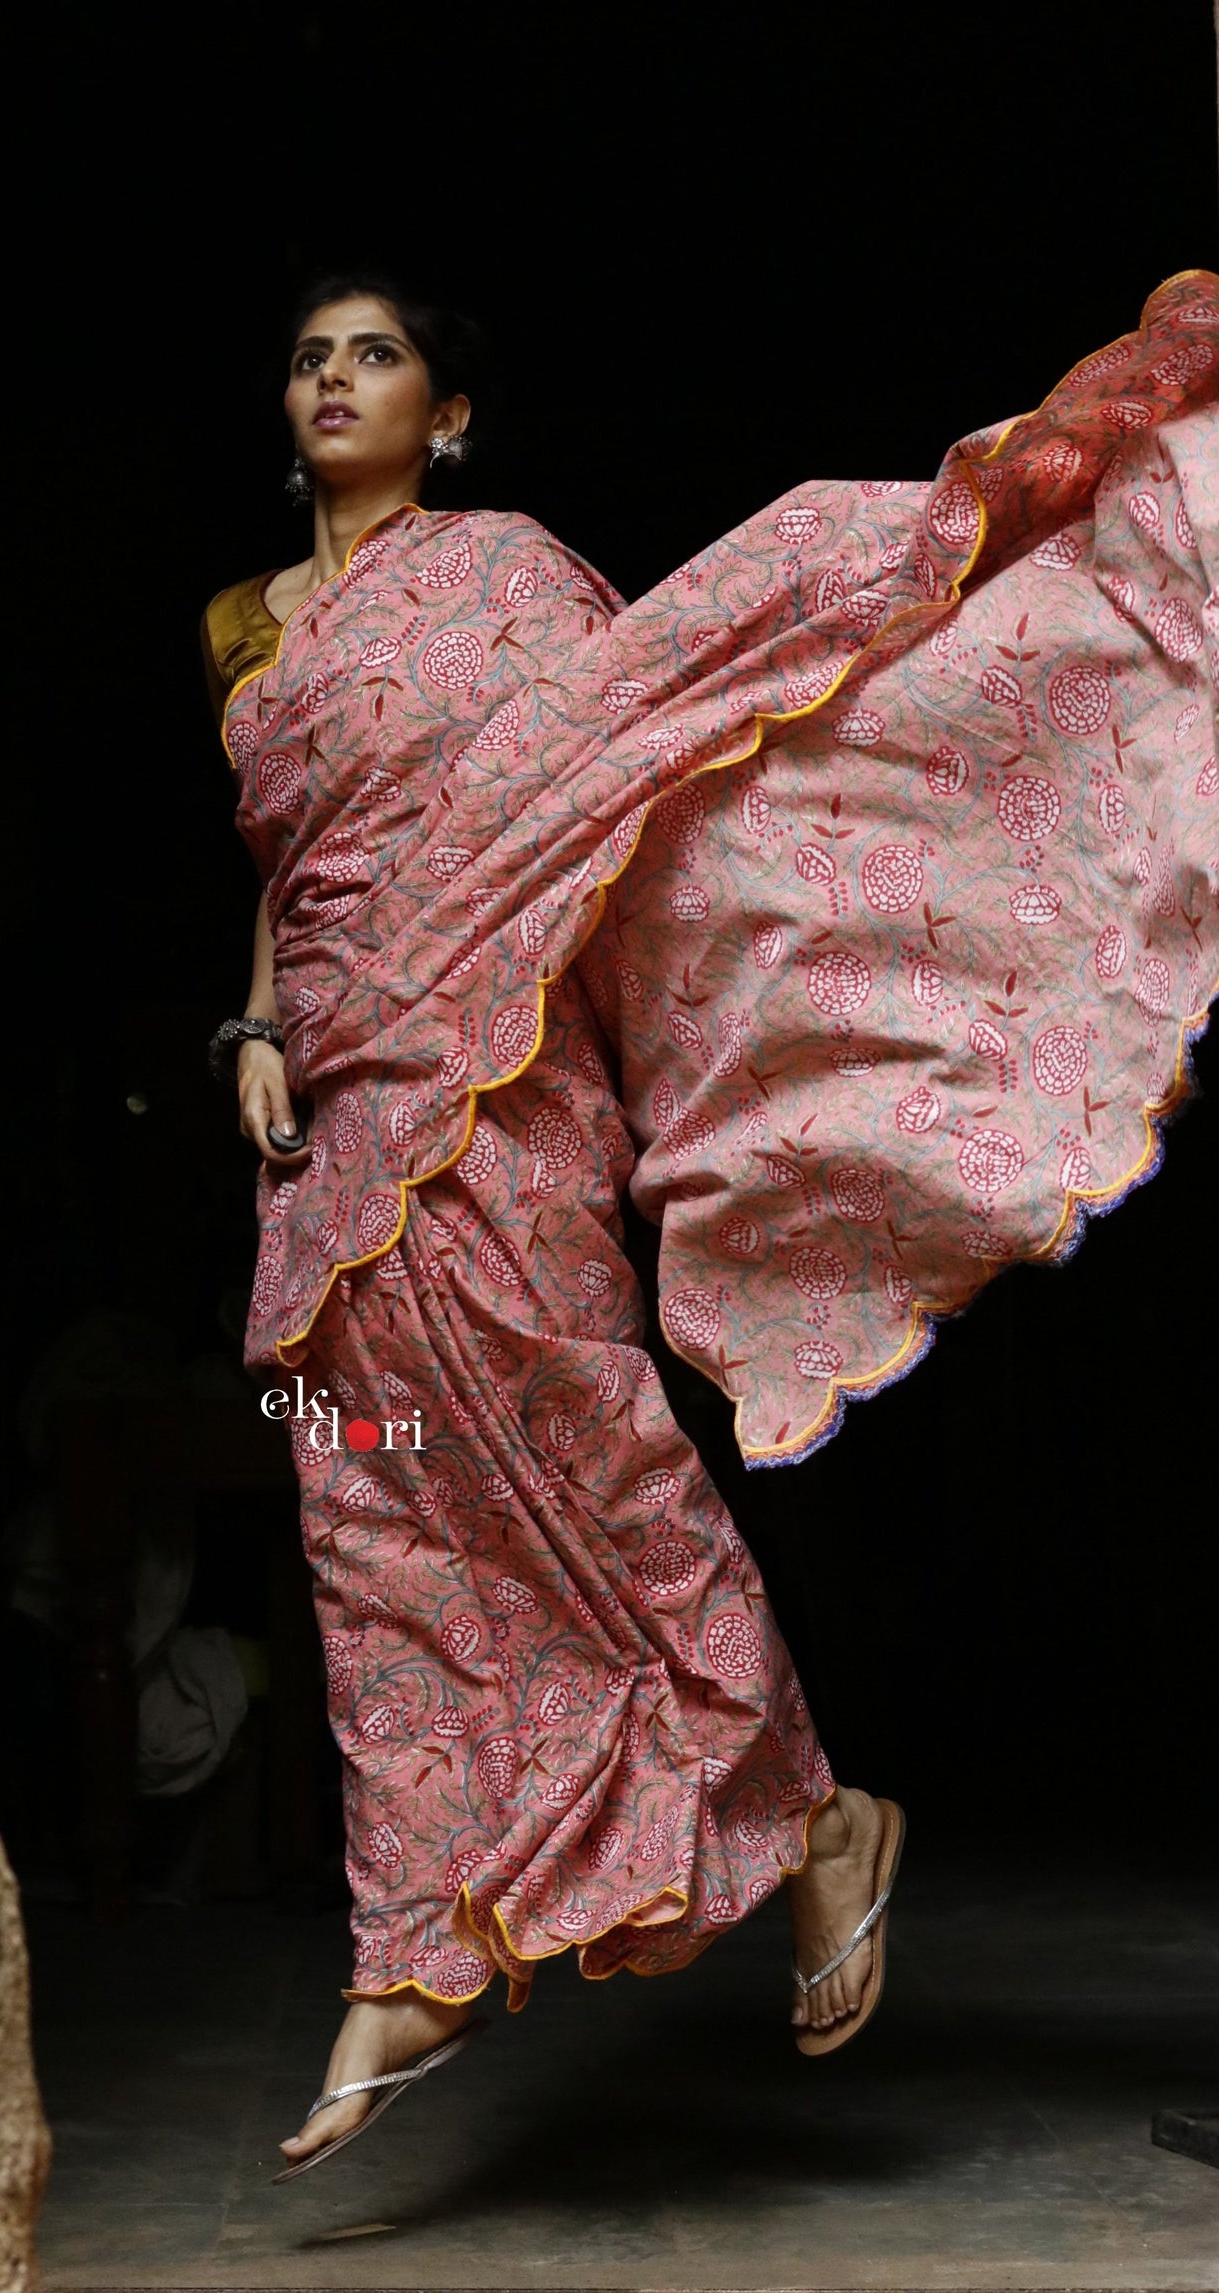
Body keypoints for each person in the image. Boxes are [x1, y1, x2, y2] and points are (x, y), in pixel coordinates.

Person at [203, 266, 1219, 2176]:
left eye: (374, 356)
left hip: (495, 1075)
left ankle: (815, 1817)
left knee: (595, 1459)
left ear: (449, 417)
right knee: (358, 1490)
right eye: (308, 356)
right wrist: (256, 1023)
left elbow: (603, 787)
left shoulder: (508, 576)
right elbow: (285, 861)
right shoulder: (242, 630)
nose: (331, 380)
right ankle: (418, 1932)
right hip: (320, 1130)